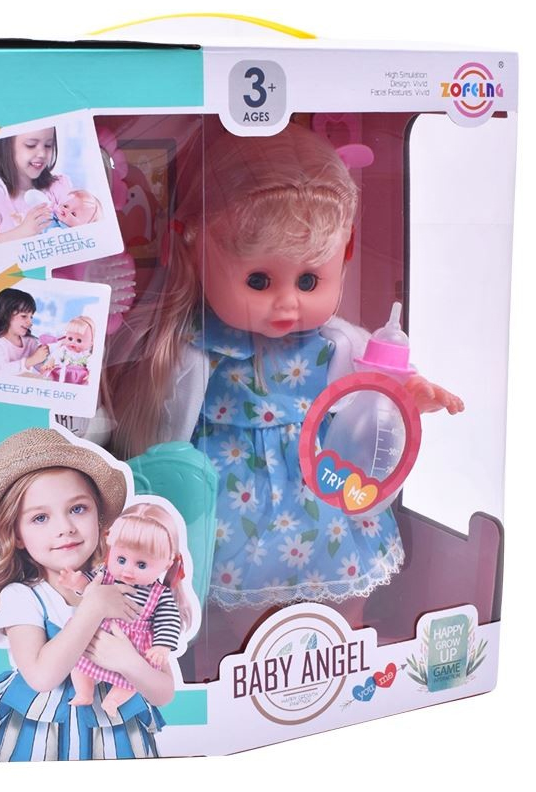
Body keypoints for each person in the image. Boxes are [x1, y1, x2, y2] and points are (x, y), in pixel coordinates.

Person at [103, 121, 463, 675]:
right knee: (245, 623)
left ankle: (346, 664)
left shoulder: (338, 344)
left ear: (344, 251)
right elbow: (165, 433)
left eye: (309, 281)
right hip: (232, 502)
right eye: (258, 281)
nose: (287, 304)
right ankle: (241, 677)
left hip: (326, 491)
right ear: (194, 250)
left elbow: (376, 390)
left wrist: (406, 393)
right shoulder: (195, 349)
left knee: (346, 594)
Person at [0, 428, 174, 761]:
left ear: (99, 516)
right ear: (16, 535)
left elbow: (164, 692)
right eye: (40, 518)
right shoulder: (23, 597)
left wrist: (128, 662)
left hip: (114, 729)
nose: (64, 527)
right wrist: (93, 608)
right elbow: (42, 676)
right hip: (43, 732)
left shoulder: (128, 587)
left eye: (78, 509)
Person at [58, 502, 192, 717]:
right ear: (110, 551)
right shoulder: (105, 575)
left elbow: (168, 620)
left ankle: (113, 700)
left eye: (141, 565)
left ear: (166, 564)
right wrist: (78, 583)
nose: (128, 570)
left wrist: (162, 646)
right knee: (78, 662)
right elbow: (90, 588)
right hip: (97, 634)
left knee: (133, 681)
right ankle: (84, 692)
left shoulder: (159, 595)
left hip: (134, 645)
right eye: (121, 559)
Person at [0, 128, 72, 242]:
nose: (42, 154)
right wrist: (24, 231)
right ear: (5, 147)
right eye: (31, 145)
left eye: (48, 145)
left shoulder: (58, 186)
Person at [0, 288, 49, 376]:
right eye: (24, 316)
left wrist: (46, 356)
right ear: (5, 315)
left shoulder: (30, 342)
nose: (30, 322)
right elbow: (1, 371)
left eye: (31, 317)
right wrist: (31, 360)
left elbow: (42, 367)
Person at [47, 315, 95, 385]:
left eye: (79, 340)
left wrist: (91, 374)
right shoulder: (64, 350)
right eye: (70, 339)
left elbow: (91, 365)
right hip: (61, 373)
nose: (73, 342)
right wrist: (50, 363)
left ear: (91, 343)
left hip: (79, 377)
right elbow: (55, 356)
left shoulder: (87, 355)